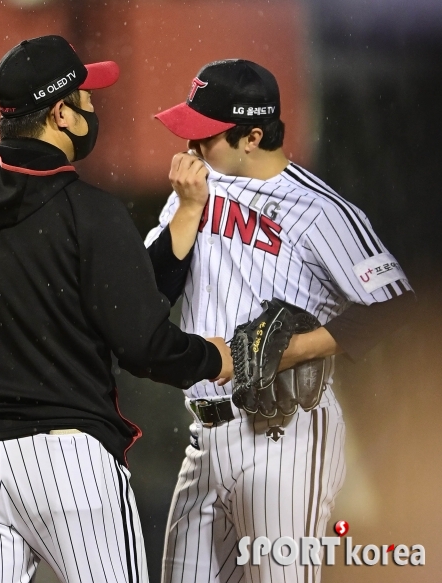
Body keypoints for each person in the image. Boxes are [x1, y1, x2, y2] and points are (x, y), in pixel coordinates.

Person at [0, 35, 233, 583]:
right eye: (87, 101)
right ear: (60, 113)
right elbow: (143, 342)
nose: (93, 110)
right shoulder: (86, 210)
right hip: (66, 466)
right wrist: (216, 359)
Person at [145, 59, 414, 583]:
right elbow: (153, 291)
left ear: (252, 136)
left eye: (208, 135)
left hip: (285, 436)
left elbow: (393, 301)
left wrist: (292, 351)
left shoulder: (317, 209)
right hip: (204, 436)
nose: (193, 147)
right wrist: (187, 207)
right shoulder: (199, 190)